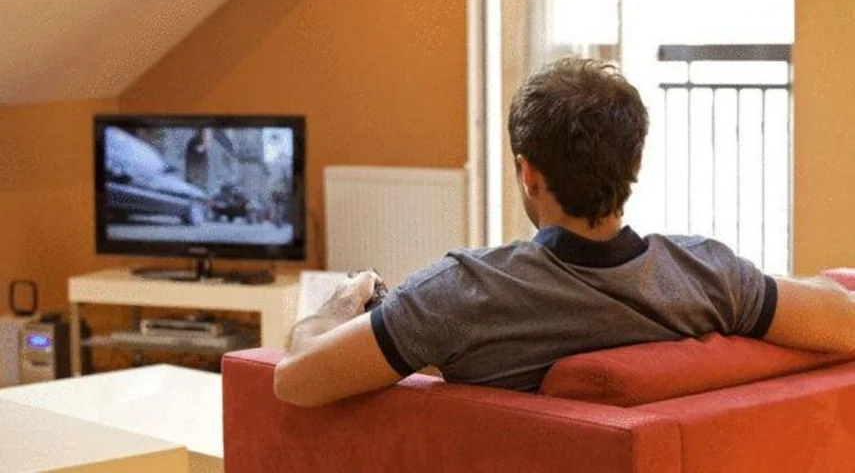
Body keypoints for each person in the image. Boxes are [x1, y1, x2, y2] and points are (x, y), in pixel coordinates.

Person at [274, 58, 855, 407]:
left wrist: (340, 305)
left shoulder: (459, 294)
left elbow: (294, 381)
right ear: (635, 162)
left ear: (528, 173)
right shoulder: (709, 275)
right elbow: (843, 319)